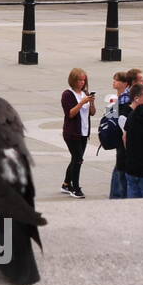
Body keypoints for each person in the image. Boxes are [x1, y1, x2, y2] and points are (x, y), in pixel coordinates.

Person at [61, 67, 98, 198]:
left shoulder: (85, 93)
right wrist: (82, 103)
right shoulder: (68, 94)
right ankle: (75, 188)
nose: (82, 82)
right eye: (79, 80)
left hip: (84, 132)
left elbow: (92, 113)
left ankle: (66, 183)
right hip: (72, 133)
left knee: (76, 159)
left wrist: (91, 103)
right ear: (73, 80)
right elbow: (70, 113)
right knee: (78, 159)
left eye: (84, 80)